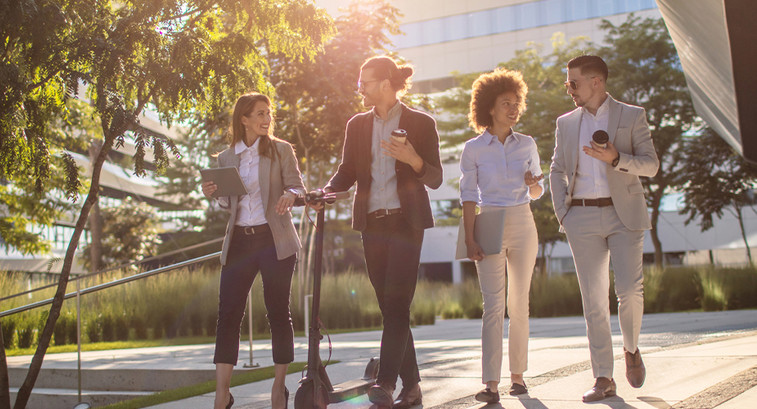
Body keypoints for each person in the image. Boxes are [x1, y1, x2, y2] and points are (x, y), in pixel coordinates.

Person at [322, 55, 443, 409]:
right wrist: (323, 194)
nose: (360, 87)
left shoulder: (421, 123)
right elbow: (346, 172)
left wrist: (412, 159)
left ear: (387, 84)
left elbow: (434, 178)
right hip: (371, 224)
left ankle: (386, 384)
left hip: (407, 223)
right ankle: (414, 387)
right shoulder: (357, 125)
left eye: (366, 82)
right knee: (392, 309)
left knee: (395, 304)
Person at [549, 55, 659, 402]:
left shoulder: (632, 115)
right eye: (568, 83)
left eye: (574, 83)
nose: (569, 89)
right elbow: (556, 169)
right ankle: (603, 378)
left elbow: (651, 166)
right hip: (580, 217)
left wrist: (615, 159)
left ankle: (631, 347)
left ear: (596, 81)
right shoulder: (565, 123)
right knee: (593, 301)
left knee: (629, 291)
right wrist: (562, 214)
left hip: (623, 213)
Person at [202, 93, 306, 409]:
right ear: (243, 119)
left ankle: (278, 387)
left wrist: (290, 195)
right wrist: (214, 194)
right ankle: (222, 393)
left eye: (268, 113)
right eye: (259, 113)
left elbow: (298, 187)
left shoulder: (281, 150)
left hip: (274, 239)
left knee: (277, 311)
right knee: (228, 314)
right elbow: (228, 203)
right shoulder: (226, 157)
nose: (266, 119)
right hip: (239, 242)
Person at [459, 68, 543, 403]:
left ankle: (518, 378)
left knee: (519, 303)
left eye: (516, 103)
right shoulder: (474, 148)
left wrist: (533, 184)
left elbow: (537, 191)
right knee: (493, 305)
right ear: (489, 108)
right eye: (505, 103)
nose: (513, 108)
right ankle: (490, 384)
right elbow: (468, 195)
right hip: (489, 220)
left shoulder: (528, 143)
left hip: (523, 220)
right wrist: (469, 238)